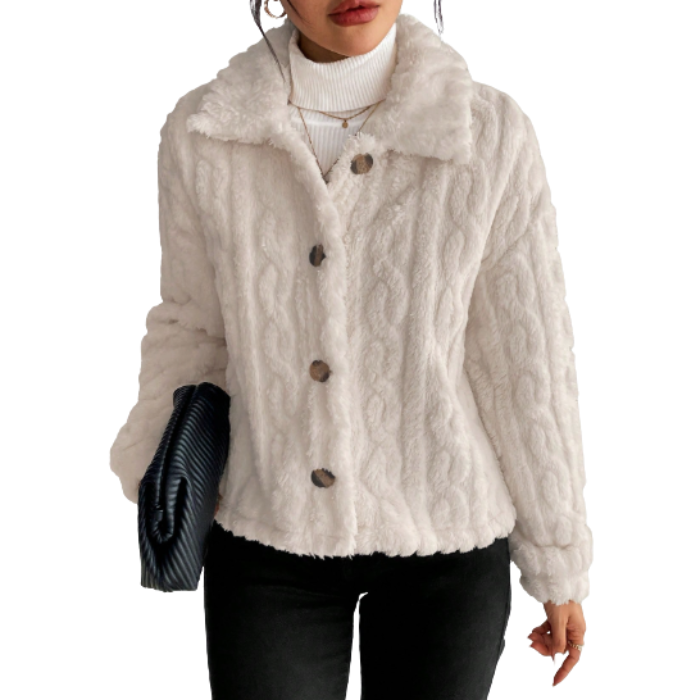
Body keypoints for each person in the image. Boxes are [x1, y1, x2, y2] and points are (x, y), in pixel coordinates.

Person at [110, 1, 593, 697]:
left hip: (447, 543)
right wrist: (162, 475)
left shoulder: (487, 133)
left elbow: (526, 360)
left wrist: (558, 559)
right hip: (269, 536)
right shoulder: (205, 132)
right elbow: (192, 326)